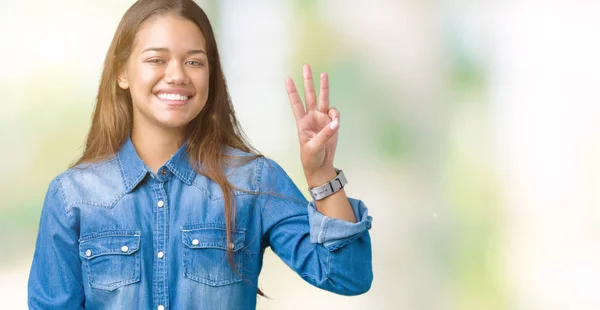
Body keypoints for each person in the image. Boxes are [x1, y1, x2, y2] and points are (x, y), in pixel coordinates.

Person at [27, 0, 373, 309]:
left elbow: (347, 276)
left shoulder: (253, 181)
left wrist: (322, 173)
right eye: (156, 59)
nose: (177, 75)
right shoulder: (72, 195)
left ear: (211, 75)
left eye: (194, 61)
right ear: (122, 73)